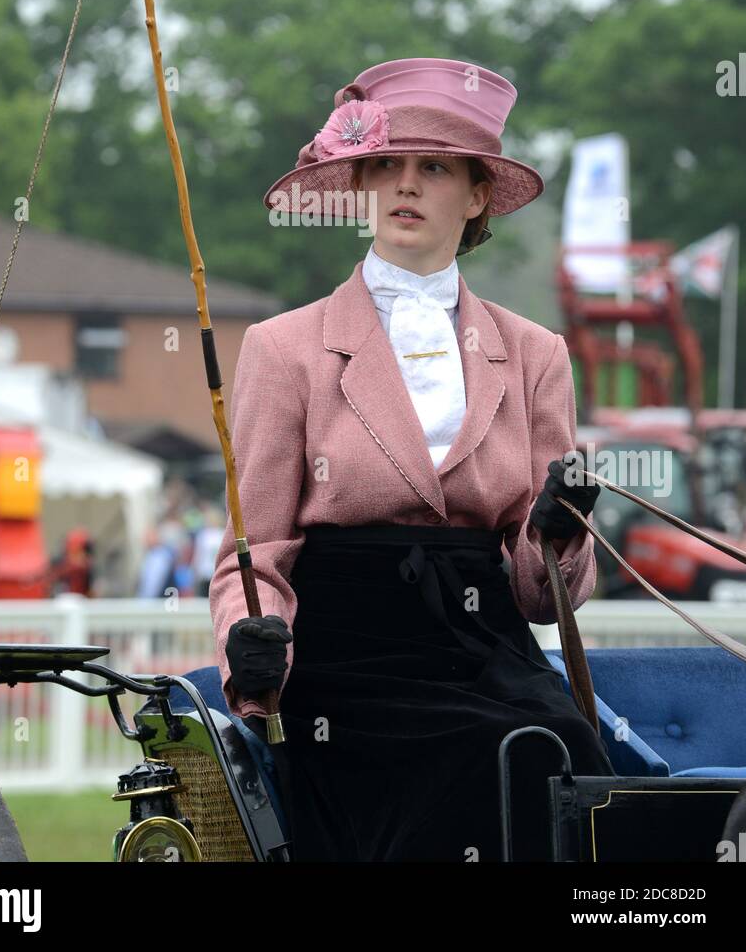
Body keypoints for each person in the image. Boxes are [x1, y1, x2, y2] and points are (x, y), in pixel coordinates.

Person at [208, 56, 615, 863]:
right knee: (471, 761)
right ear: (361, 185)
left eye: (433, 168)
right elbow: (253, 554)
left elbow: (540, 597)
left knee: (559, 753)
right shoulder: (283, 349)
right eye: (388, 165)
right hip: (347, 659)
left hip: (488, 648)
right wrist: (249, 648)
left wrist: (561, 532)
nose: (406, 184)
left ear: (475, 198)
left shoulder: (536, 355)